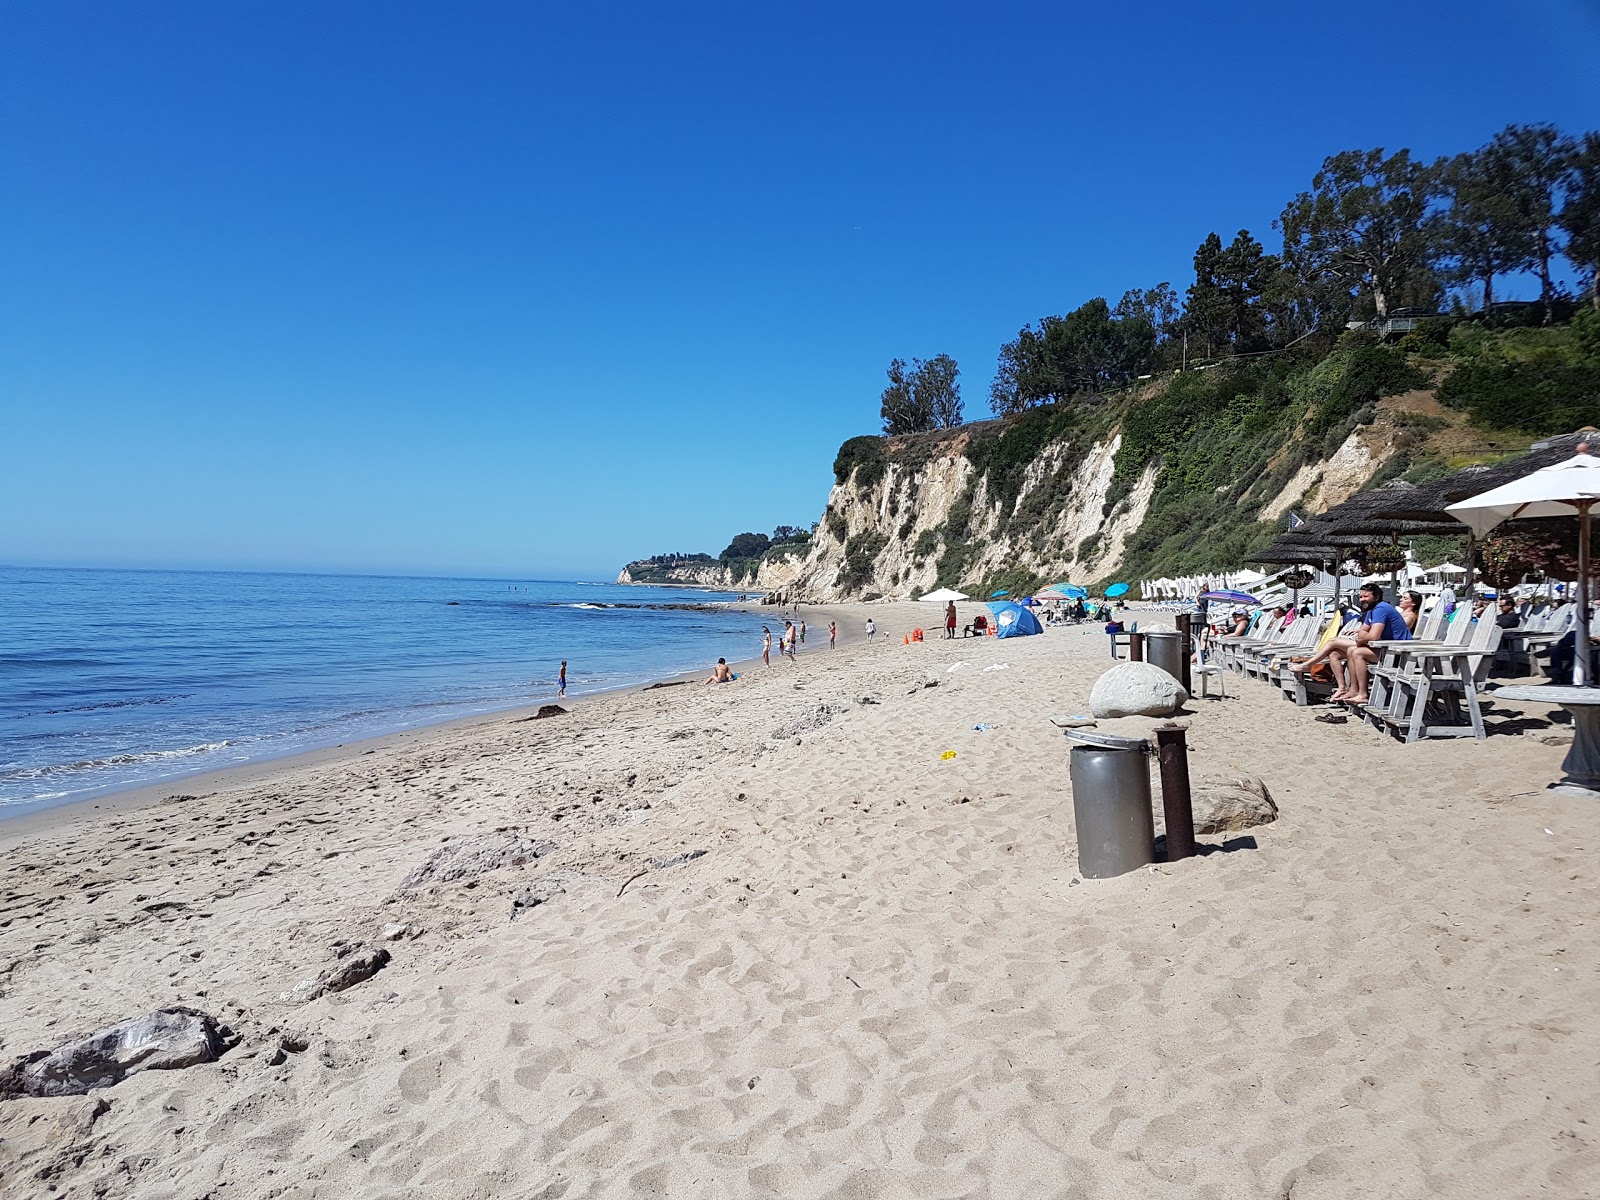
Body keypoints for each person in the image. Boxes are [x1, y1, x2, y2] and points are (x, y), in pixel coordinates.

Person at [1327, 582, 1411, 705]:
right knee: (1351, 650)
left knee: (1358, 653)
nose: (1362, 599)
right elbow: (1363, 631)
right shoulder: (1372, 610)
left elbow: (1373, 635)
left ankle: (1363, 694)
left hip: (1400, 653)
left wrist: (1360, 640)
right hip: (1387, 649)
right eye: (1361, 597)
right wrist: (1362, 638)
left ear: (1376, 597)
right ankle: (1354, 690)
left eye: (1366, 596)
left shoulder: (1381, 608)